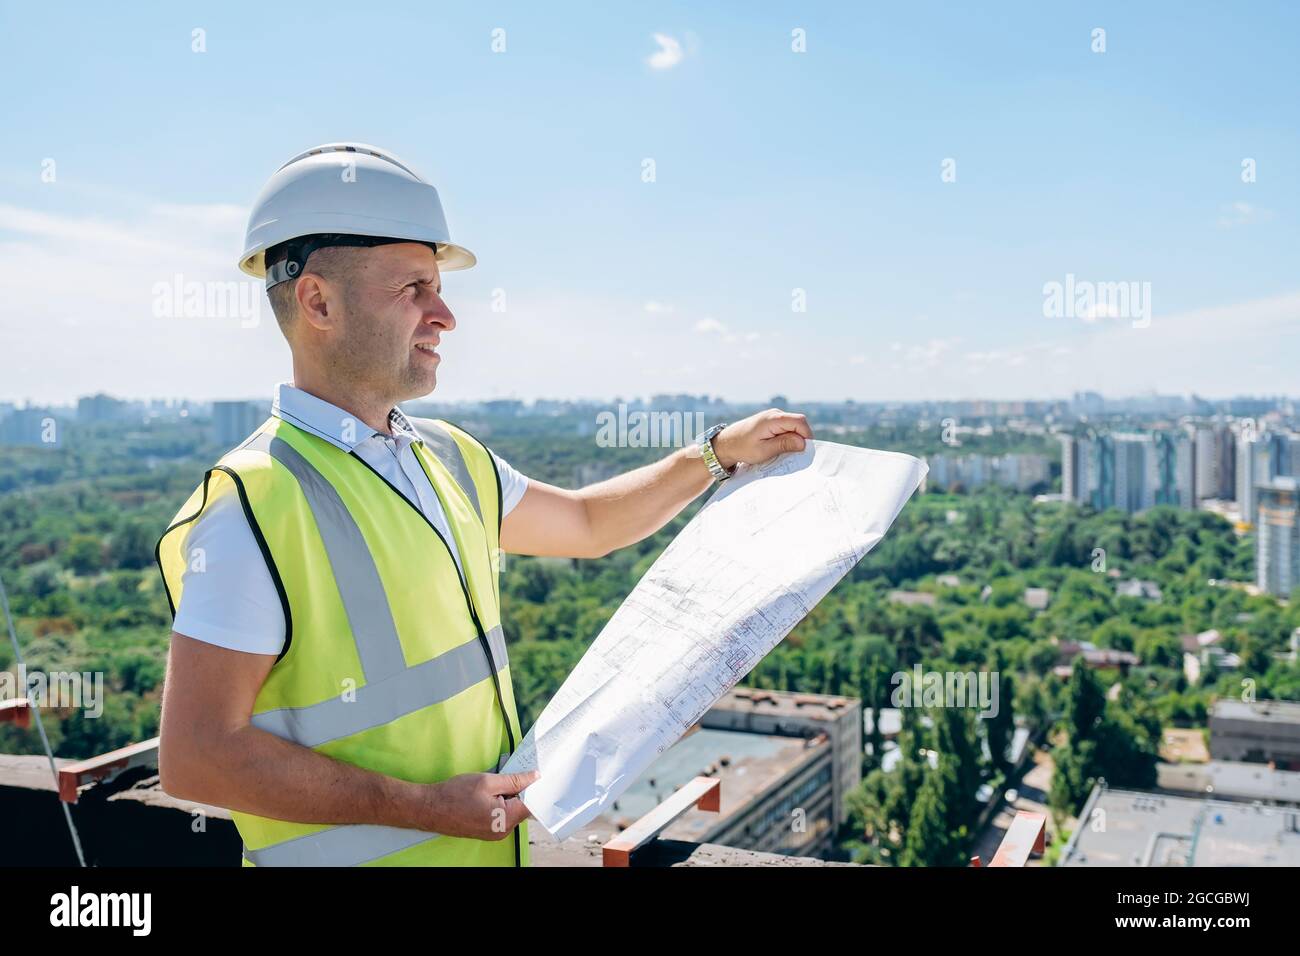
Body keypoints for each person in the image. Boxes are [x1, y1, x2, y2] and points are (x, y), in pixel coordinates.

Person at [156, 142, 814, 866]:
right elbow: (198, 756)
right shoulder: (254, 502)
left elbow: (590, 523)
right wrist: (421, 808)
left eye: (437, 288)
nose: (445, 315)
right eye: (413, 288)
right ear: (318, 301)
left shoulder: (446, 457)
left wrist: (714, 454)